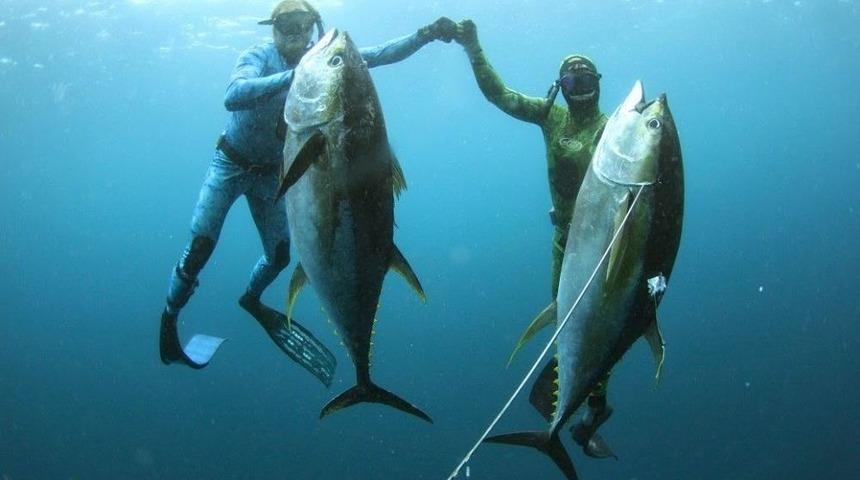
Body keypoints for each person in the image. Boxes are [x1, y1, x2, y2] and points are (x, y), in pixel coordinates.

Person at [159, 0, 458, 381]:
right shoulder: (263, 57)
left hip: (274, 175)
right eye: (287, 26)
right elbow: (234, 94)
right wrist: (296, 76)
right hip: (231, 163)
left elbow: (377, 55)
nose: (296, 35)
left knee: (279, 257)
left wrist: (425, 35)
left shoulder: (318, 63)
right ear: (272, 28)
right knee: (202, 244)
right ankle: (170, 318)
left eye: (304, 26)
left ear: (314, 27)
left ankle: (251, 298)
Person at [453, 20, 615, 458]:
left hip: (600, 246)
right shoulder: (550, 116)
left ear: (598, 83)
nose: (579, 88)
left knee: (595, 325)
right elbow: (499, 95)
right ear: (559, 86)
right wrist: (473, 47)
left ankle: (595, 406)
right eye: (571, 81)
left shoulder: (613, 128)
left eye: (585, 80)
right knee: (567, 321)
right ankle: (585, 406)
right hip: (565, 240)